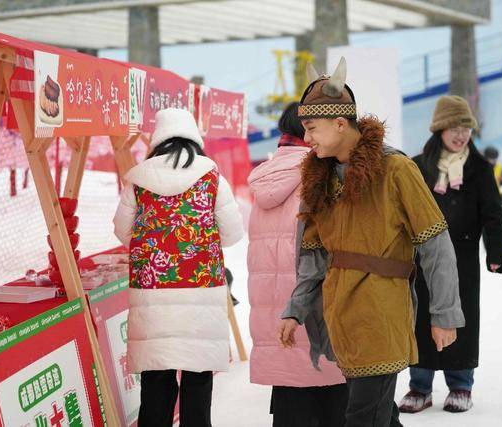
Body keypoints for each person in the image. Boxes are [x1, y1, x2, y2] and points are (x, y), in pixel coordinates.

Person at [277, 58, 465, 427]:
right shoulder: (319, 177)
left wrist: (444, 313)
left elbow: (435, 245)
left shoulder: (396, 169)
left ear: (340, 123)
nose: (308, 138)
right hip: (340, 315)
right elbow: (313, 256)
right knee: (378, 415)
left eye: (312, 128)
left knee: (363, 417)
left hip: (382, 312)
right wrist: (295, 308)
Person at [113, 108, 244, 426]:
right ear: (193, 137)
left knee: (156, 384)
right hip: (202, 296)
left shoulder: (138, 178)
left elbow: (122, 230)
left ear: (158, 139)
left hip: (152, 297)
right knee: (198, 384)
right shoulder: (211, 176)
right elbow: (233, 232)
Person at [399, 95, 502, 414]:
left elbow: (493, 213)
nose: (461, 135)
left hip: (462, 259)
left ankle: (460, 384)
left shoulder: (479, 169)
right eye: (454, 128)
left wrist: (496, 250)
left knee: (460, 318)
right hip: (422, 258)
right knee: (420, 317)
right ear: (439, 129)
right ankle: (419, 386)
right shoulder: (418, 166)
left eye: (466, 128)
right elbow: (402, 212)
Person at [247, 102, 347, 427]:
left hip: (277, 321)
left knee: (292, 406)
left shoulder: (264, 179)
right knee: (334, 403)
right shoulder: (321, 178)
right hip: (317, 316)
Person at [483, 145, 502, 249]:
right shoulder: (482, 167)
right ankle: (488, 246)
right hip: (484, 198)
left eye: (495, 159)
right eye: (491, 159)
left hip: (498, 197)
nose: (493, 161)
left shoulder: (499, 167)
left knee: (501, 221)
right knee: (485, 224)